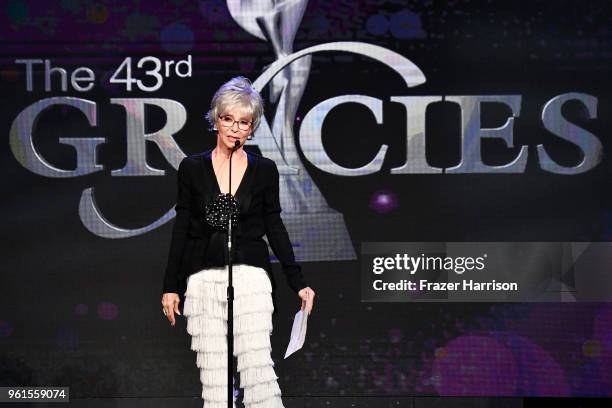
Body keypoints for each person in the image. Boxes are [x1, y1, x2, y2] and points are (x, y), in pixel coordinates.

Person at [161, 76, 315, 408]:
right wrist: (170, 286)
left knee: (257, 369)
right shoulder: (191, 168)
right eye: (228, 119)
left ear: (252, 127)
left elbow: (274, 226)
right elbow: (183, 227)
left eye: (244, 122)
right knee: (214, 379)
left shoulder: (264, 170)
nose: (234, 128)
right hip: (203, 277)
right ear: (215, 119)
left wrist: (297, 281)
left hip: (250, 276)